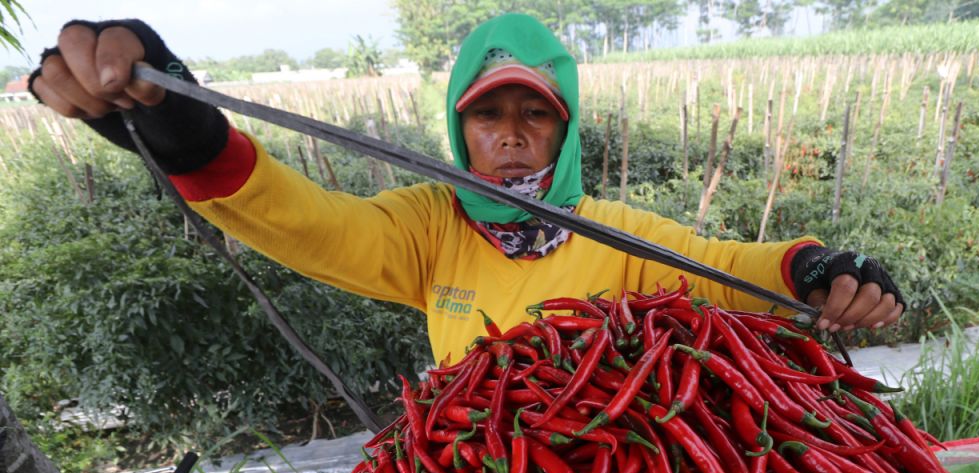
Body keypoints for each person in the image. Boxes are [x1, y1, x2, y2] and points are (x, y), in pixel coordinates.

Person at [29, 14, 905, 365]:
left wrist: (816, 267)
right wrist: (183, 126)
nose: (514, 134)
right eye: (490, 117)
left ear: (565, 133)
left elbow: (720, 265)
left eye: (537, 114)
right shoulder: (427, 228)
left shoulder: (616, 235)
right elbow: (306, 221)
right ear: (461, 129)